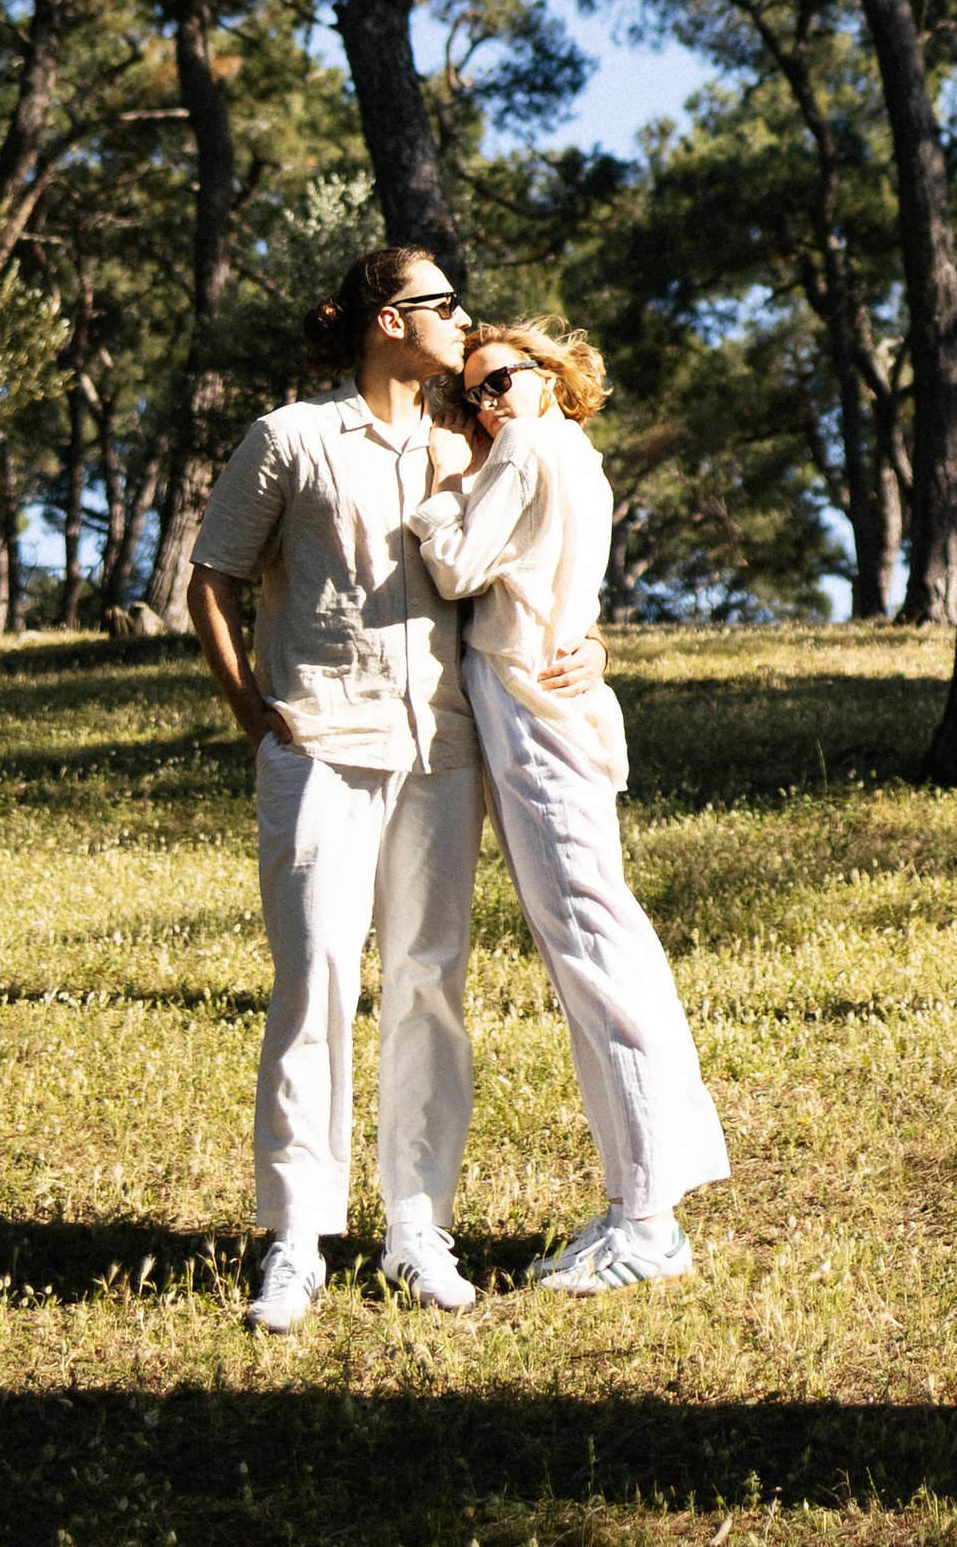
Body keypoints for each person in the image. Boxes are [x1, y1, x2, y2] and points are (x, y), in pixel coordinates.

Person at [184, 242, 491, 1334]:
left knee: (429, 982)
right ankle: (298, 1239)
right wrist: (249, 708)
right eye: (443, 303)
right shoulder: (289, 438)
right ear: (387, 321)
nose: (463, 320)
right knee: (314, 979)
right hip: (318, 745)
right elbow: (211, 578)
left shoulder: (466, 444)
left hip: (444, 751)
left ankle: (417, 1228)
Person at [405, 318, 730, 1293]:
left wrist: (439, 493)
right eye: (473, 394)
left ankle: (648, 1226)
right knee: (604, 949)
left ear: (547, 376)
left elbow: (457, 569)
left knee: (594, 954)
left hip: (535, 717)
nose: (486, 405)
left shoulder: (528, 445)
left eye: (501, 380)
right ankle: (639, 1198)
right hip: (553, 709)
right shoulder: (575, 455)